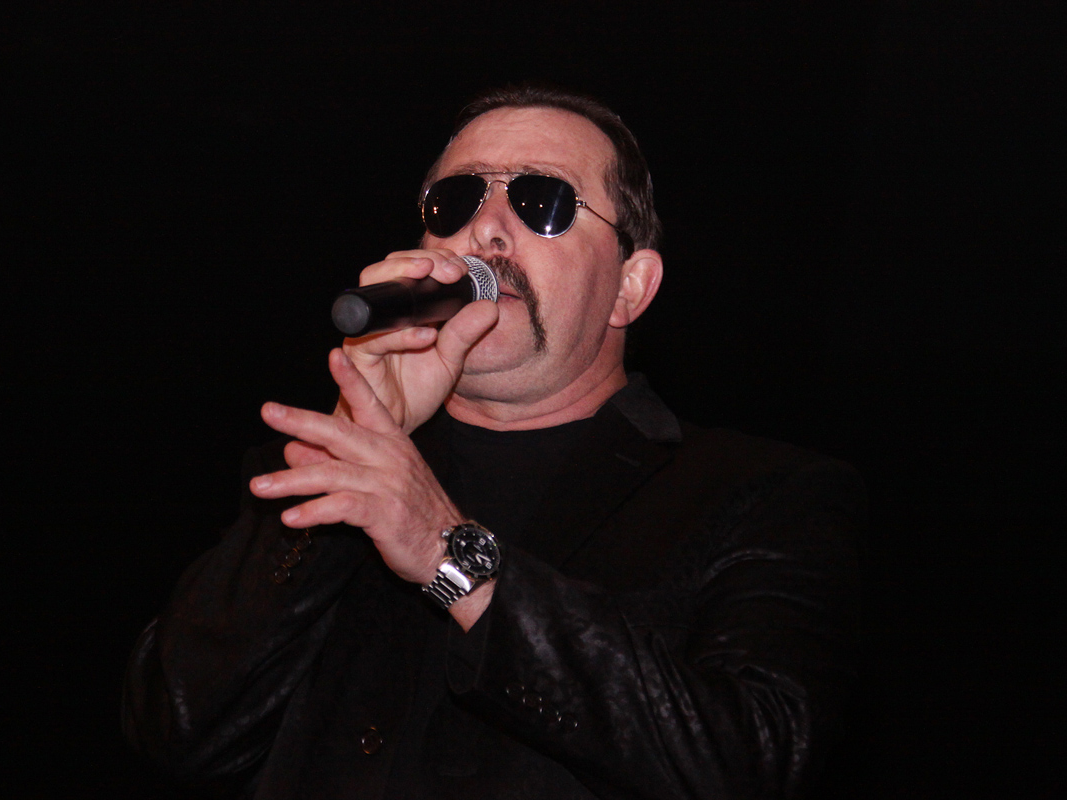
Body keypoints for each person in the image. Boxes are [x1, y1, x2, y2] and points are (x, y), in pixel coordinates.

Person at [123, 85, 864, 799]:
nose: (486, 229)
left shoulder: (761, 493)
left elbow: (750, 762)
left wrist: (452, 558)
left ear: (629, 287)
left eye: (543, 200)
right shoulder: (320, 464)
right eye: (456, 201)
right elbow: (177, 729)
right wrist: (350, 441)